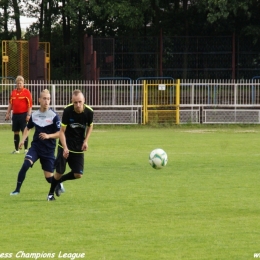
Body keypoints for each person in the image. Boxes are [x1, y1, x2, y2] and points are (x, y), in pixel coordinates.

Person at [10, 89, 64, 195]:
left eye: (48, 99)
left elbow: (60, 133)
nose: (46, 101)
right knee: (25, 165)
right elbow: (28, 128)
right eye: (44, 99)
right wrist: (22, 140)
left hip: (48, 150)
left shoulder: (54, 116)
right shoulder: (34, 115)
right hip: (36, 147)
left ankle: (58, 184)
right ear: (39, 100)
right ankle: (17, 190)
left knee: (49, 178)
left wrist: (48, 136)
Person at [47, 89, 94, 201]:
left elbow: (90, 126)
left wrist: (86, 141)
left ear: (84, 101)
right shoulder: (68, 111)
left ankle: (60, 181)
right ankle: (50, 194)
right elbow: (62, 131)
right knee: (58, 172)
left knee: (78, 174)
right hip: (65, 145)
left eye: (79, 102)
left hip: (78, 146)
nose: (77, 105)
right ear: (72, 101)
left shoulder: (89, 112)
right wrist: (65, 148)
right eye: (75, 102)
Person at [5, 75, 33, 154]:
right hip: (15, 115)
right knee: (15, 131)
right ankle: (17, 150)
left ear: (23, 83)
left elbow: (30, 105)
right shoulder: (13, 92)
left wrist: (28, 115)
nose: (19, 85)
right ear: (16, 83)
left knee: (24, 131)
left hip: (23, 115)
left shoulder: (26, 92)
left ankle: (26, 149)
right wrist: (7, 113)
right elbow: (10, 104)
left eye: (20, 83)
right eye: (18, 83)